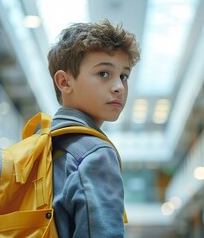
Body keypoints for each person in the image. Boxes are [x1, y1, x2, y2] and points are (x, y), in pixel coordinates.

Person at [47, 19, 140, 237]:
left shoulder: (39, 146)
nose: (119, 87)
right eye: (104, 74)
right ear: (64, 82)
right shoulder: (95, 154)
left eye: (123, 76)